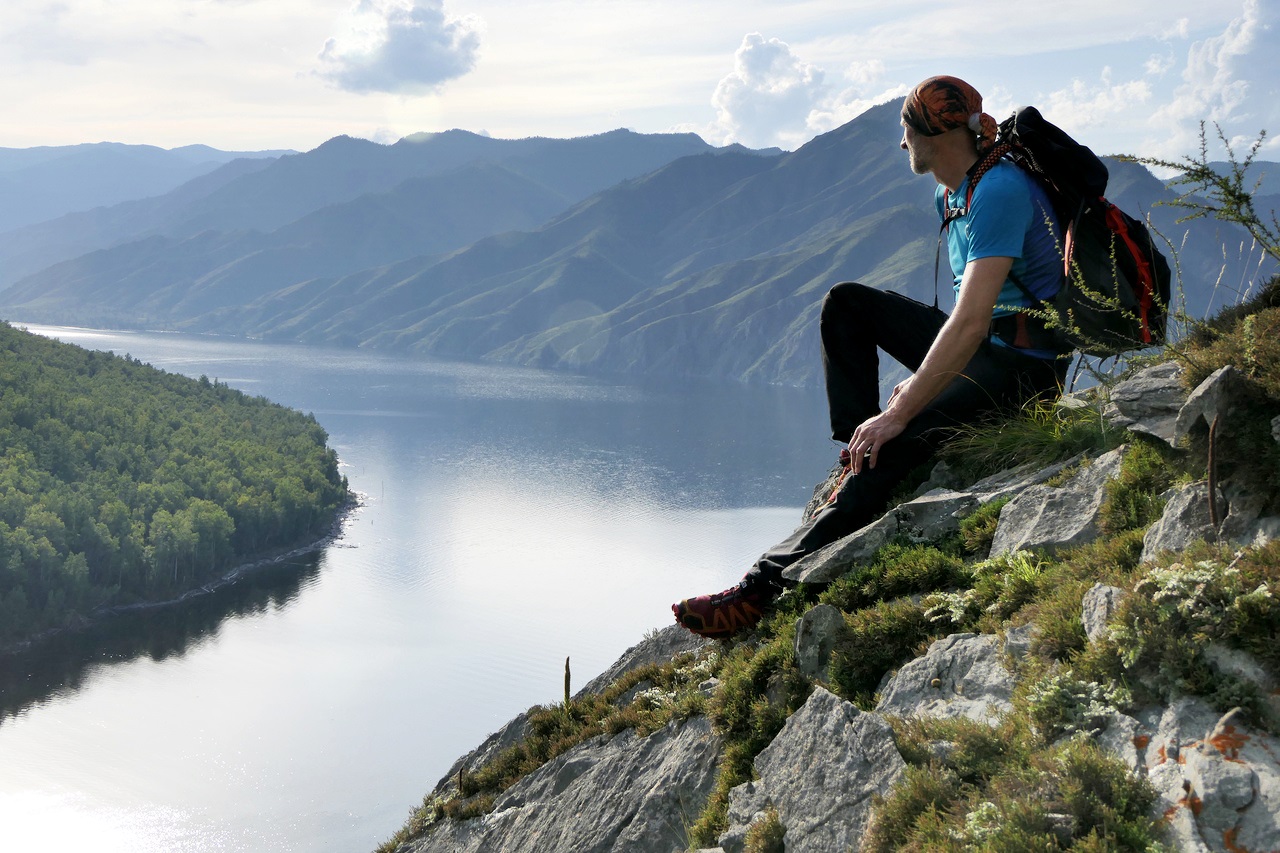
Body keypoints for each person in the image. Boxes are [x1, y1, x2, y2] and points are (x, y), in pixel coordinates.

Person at [673, 75, 1070, 639]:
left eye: (906, 132)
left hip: (1020, 369)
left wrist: (903, 410)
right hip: (984, 344)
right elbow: (967, 322)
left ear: (934, 134)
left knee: (888, 448)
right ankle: (854, 445)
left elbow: (973, 319)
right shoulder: (954, 190)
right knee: (848, 305)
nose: (902, 144)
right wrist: (904, 399)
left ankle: (758, 591)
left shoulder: (999, 192)